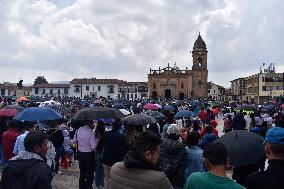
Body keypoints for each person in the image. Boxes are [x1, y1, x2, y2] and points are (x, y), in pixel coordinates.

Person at [109, 131, 173, 189]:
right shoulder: (160, 179)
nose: (158, 157)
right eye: (158, 153)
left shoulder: (115, 168)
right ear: (148, 154)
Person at [158, 124, 187, 189]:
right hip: (177, 182)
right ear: (178, 135)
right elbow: (183, 167)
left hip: (162, 178)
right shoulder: (183, 149)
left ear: (168, 134)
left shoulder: (160, 145)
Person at [103, 119, 127, 189]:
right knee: (116, 180)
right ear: (120, 127)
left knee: (107, 178)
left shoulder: (107, 134)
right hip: (117, 162)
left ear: (113, 126)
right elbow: (124, 149)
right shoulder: (122, 137)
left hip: (107, 160)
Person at [73, 120, 97, 189]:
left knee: (82, 172)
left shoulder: (78, 130)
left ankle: (81, 187)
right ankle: (88, 187)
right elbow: (93, 146)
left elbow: (74, 141)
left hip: (80, 154)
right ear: (89, 123)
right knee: (89, 172)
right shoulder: (90, 132)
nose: (92, 124)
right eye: (92, 122)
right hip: (89, 155)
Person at [95, 120, 106, 189]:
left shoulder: (95, 133)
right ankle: (102, 184)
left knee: (97, 169)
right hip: (103, 152)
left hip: (97, 152)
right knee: (102, 169)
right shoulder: (105, 134)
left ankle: (97, 184)